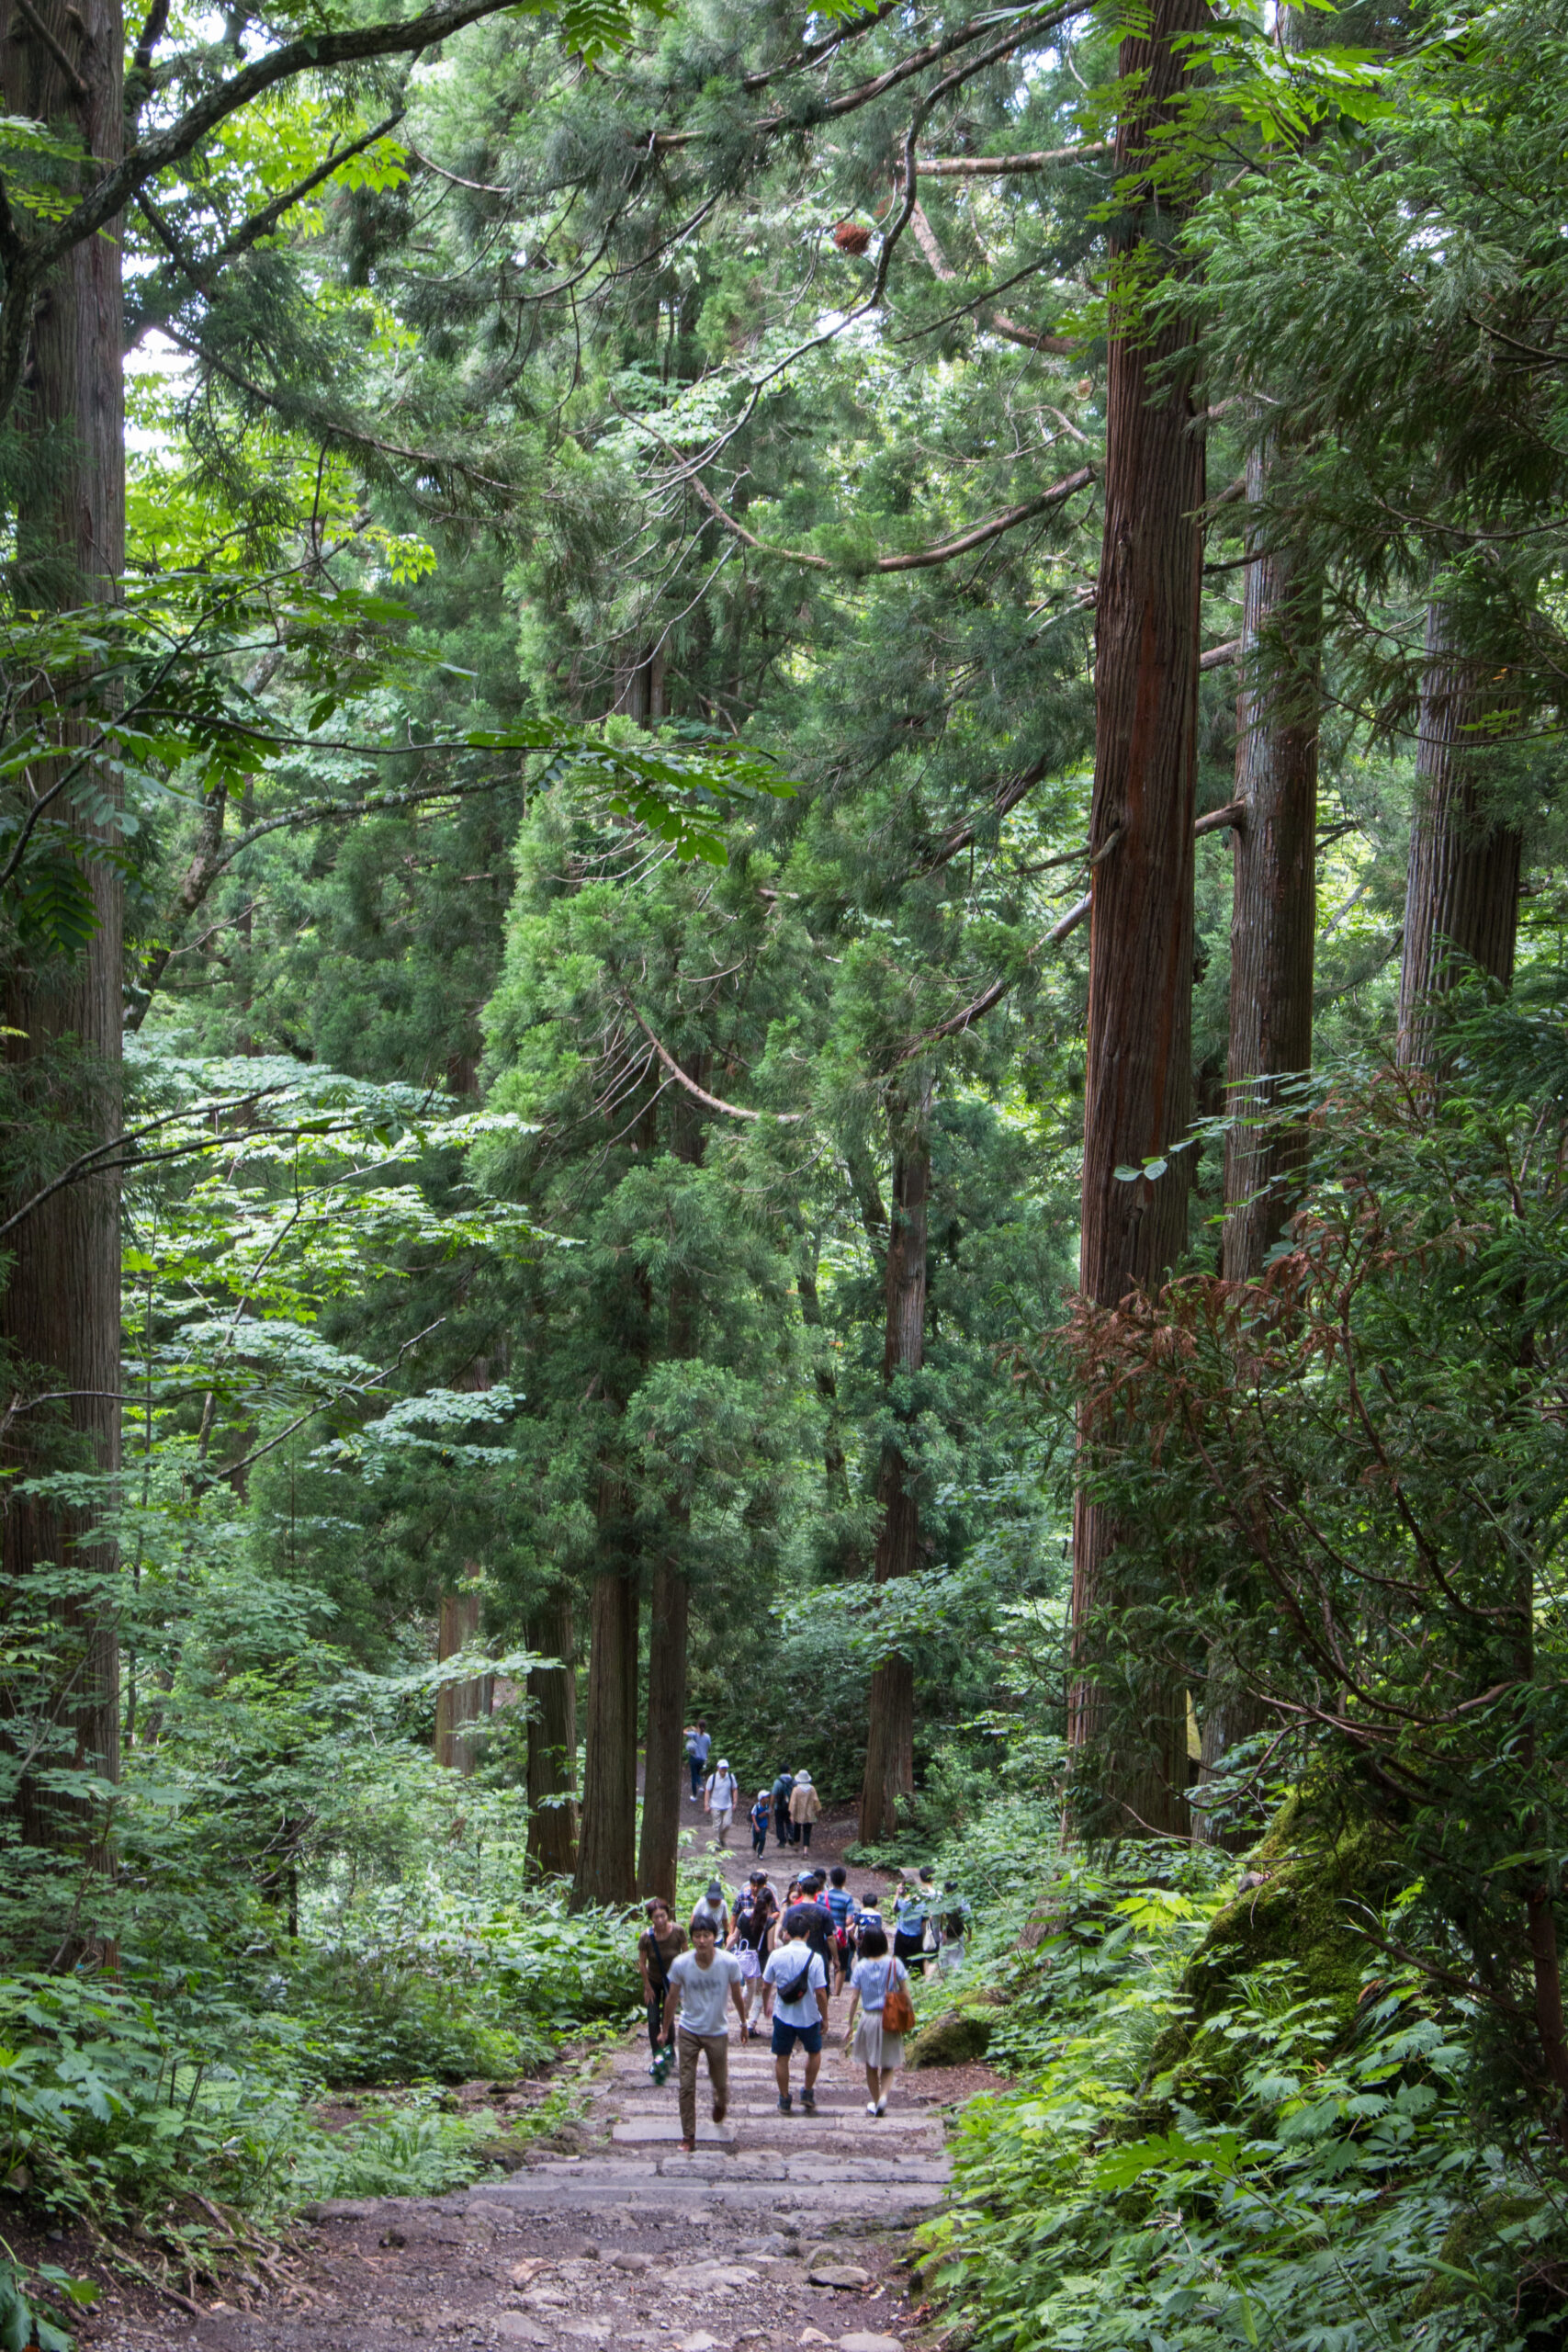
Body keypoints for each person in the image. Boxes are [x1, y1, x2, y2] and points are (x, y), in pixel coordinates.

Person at [659, 1914, 746, 2152]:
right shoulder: (681, 1964)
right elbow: (672, 1997)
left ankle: (720, 2101)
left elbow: (737, 1995)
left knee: (719, 2081)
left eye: (706, 1935)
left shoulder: (728, 1963)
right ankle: (688, 2136)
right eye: (697, 1936)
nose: (702, 1941)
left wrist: (744, 2022)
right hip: (689, 2029)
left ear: (714, 1937)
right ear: (692, 1938)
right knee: (686, 2084)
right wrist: (665, 2029)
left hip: (717, 2031)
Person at [762, 1913, 829, 2115]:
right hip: (808, 2015)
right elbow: (820, 1992)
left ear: (787, 1934)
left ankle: (784, 2098)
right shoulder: (815, 1958)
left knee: (782, 2056)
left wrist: (767, 2003)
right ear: (808, 1933)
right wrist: (825, 2017)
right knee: (814, 2052)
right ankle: (807, 2092)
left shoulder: (776, 1955)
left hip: (783, 2014)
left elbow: (766, 1985)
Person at [843, 1921, 911, 2118]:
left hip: (868, 2018)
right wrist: (908, 2015)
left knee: (870, 2064)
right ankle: (883, 2097)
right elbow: (906, 1994)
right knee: (889, 2063)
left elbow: (855, 1997)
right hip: (889, 2017)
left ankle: (875, 2101)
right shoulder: (894, 1963)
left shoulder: (861, 1966)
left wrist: (849, 2024)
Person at [637, 1898, 687, 2056]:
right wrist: (647, 1987)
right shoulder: (646, 1937)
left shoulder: (678, 1931)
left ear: (668, 1915)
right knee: (652, 2019)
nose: (660, 1920)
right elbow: (642, 1963)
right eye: (656, 1917)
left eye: (663, 1916)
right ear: (651, 1918)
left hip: (672, 1982)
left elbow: (686, 1956)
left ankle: (669, 2050)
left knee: (669, 2017)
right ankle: (657, 2055)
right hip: (653, 1981)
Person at [730, 1872, 776, 2038]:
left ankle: (743, 2018)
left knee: (747, 1988)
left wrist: (724, 1952)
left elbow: (735, 1937)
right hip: (762, 1961)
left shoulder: (744, 1916)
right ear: (770, 1903)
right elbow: (770, 1947)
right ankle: (751, 2024)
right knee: (759, 1992)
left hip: (746, 1959)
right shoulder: (770, 1922)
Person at [824, 1865, 856, 1986]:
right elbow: (849, 1920)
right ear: (844, 1880)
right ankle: (837, 1991)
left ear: (831, 1880)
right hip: (840, 1936)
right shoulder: (847, 1898)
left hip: (825, 1934)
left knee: (826, 1961)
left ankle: (825, 1985)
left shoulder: (824, 1895)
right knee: (842, 1964)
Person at [894, 1870, 930, 1973]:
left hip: (901, 1935)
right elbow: (924, 1922)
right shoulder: (922, 1903)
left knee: (900, 1964)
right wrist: (924, 1938)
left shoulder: (901, 1902)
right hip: (916, 1937)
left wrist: (897, 1894)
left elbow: (894, 1910)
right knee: (916, 1966)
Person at [937, 1883, 973, 1977]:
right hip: (959, 1934)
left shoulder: (942, 1902)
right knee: (958, 1958)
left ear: (945, 1890)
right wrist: (969, 1935)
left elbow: (941, 1918)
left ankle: (945, 1977)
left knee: (945, 1958)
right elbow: (969, 1919)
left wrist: (943, 1933)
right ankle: (957, 1977)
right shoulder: (963, 1902)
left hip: (946, 1936)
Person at [705, 1756, 739, 1848]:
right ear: (718, 1768)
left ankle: (721, 1838)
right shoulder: (712, 1778)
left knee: (727, 1824)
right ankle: (717, 1843)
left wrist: (735, 1802)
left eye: (725, 1768)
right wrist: (706, 1804)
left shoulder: (731, 1777)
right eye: (722, 1768)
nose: (724, 1770)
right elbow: (708, 1790)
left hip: (727, 1805)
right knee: (716, 1825)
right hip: (715, 1805)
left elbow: (734, 1789)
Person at [789, 1770, 821, 1851]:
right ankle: (805, 1851)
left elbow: (793, 1803)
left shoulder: (796, 1790)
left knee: (797, 1829)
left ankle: (796, 1845)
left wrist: (791, 1814)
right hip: (809, 1813)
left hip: (798, 1813)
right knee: (807, 1832)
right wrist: (817, 1811)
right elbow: (816, 1800)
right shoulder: (812, 1788)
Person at [687, 1719, 712, 1802]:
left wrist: (690, 1727)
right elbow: (708, 1746)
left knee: (694, 1776)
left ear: (698, 1726)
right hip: (703, 1759)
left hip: (694, 1758)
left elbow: (683, 1732)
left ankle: (694, 1796)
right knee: (698, 1773)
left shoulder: (694, 1735)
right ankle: (701, 1786)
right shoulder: (707, 1737)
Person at [772, 1768, 795, 1849]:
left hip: (779, 1806)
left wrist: (771, 1805)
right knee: (789, 1821)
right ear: (789, 1771)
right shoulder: (794, 1781)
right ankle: (791, 1836)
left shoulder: (777, 1782)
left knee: (779, 1823)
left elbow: (773, 1794)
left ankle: (782, 1841)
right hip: (791, 1806)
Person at [750, 1788, 771, 1857]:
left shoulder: (767, 1806)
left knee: (763, 1838)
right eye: (766, 1798)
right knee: (756, 1839)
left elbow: (768, 1815)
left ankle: (760, 1852)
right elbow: (753, 1815)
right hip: (757, 1825)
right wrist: (756, 1826)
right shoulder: (757, 1806)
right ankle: (754, 1845)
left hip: (763, 1825)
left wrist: (768, 1823)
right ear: (761, 1799)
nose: (767, 1799)